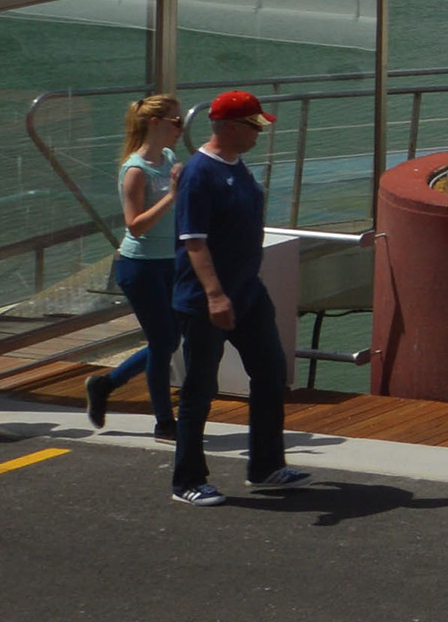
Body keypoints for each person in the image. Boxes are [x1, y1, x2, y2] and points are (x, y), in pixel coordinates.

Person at [169, 88, 301, 504]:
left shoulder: (237, 166)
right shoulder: (199, 174)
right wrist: (214, 295)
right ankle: (187, 480)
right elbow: (194, 241)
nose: (259, 133)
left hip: (248, 293)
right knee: (199, 388)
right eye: (253, 126)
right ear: (228, 127)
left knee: (271, 372)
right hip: (208, 300)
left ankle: (266, 465)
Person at [83, 92, 189, 437]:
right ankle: (164, 421)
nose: (181, 128)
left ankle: (106, 384)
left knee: (171, 339)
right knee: (162, 343)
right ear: (155, 123)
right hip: (141, 265)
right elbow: (135, 225)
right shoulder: (135, 170)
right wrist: (171, 196)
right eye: (176, 121)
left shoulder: (169, 157)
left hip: (170, 260)